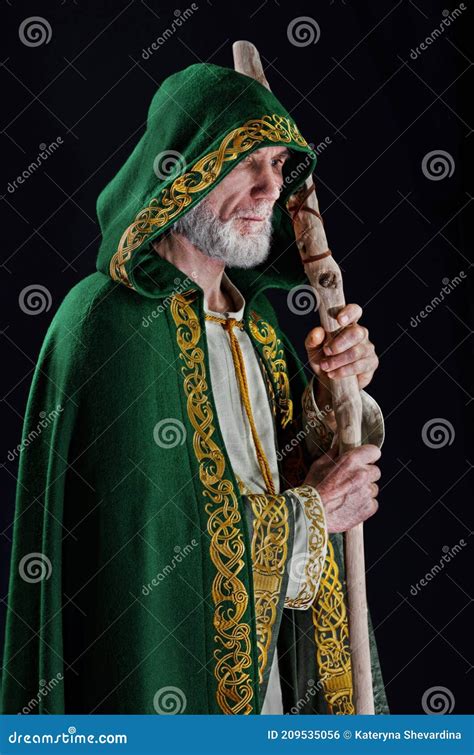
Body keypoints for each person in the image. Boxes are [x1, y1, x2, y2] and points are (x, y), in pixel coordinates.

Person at [0, 62, 387, 715]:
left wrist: (334, 392)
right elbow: (147, 554)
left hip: (274, 699)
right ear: (182, 171)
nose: (271, 186)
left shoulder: (259, 332)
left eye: (277, 163)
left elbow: (302, 463)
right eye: (245, 163)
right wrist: (313, 513)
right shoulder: (106, 324)